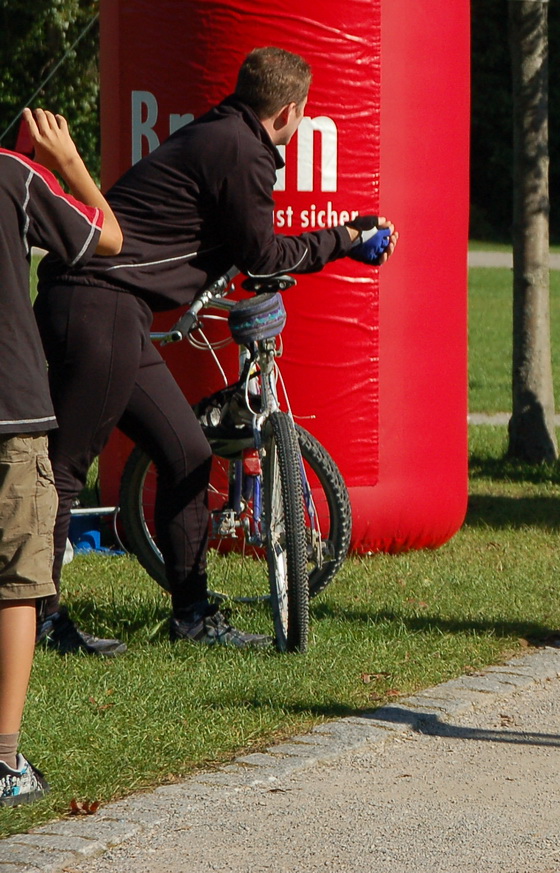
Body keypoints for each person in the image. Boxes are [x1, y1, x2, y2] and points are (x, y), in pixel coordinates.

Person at [35, 48, 396, 652]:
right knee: (64, 469)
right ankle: (40, 621)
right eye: (304, 116)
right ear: (291, 110)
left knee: (186, 454)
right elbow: (262, 258)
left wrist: (343, 235)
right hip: (97, 301)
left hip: (115, 306)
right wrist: (346, 240)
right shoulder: (243, 149)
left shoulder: (224, 130)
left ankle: (194, 618)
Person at [0, 111, 121, 802]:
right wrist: (69, 160)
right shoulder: (14, 176)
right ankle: (5, 760)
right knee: (17, 580)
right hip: (11, 407)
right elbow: (108, 237)